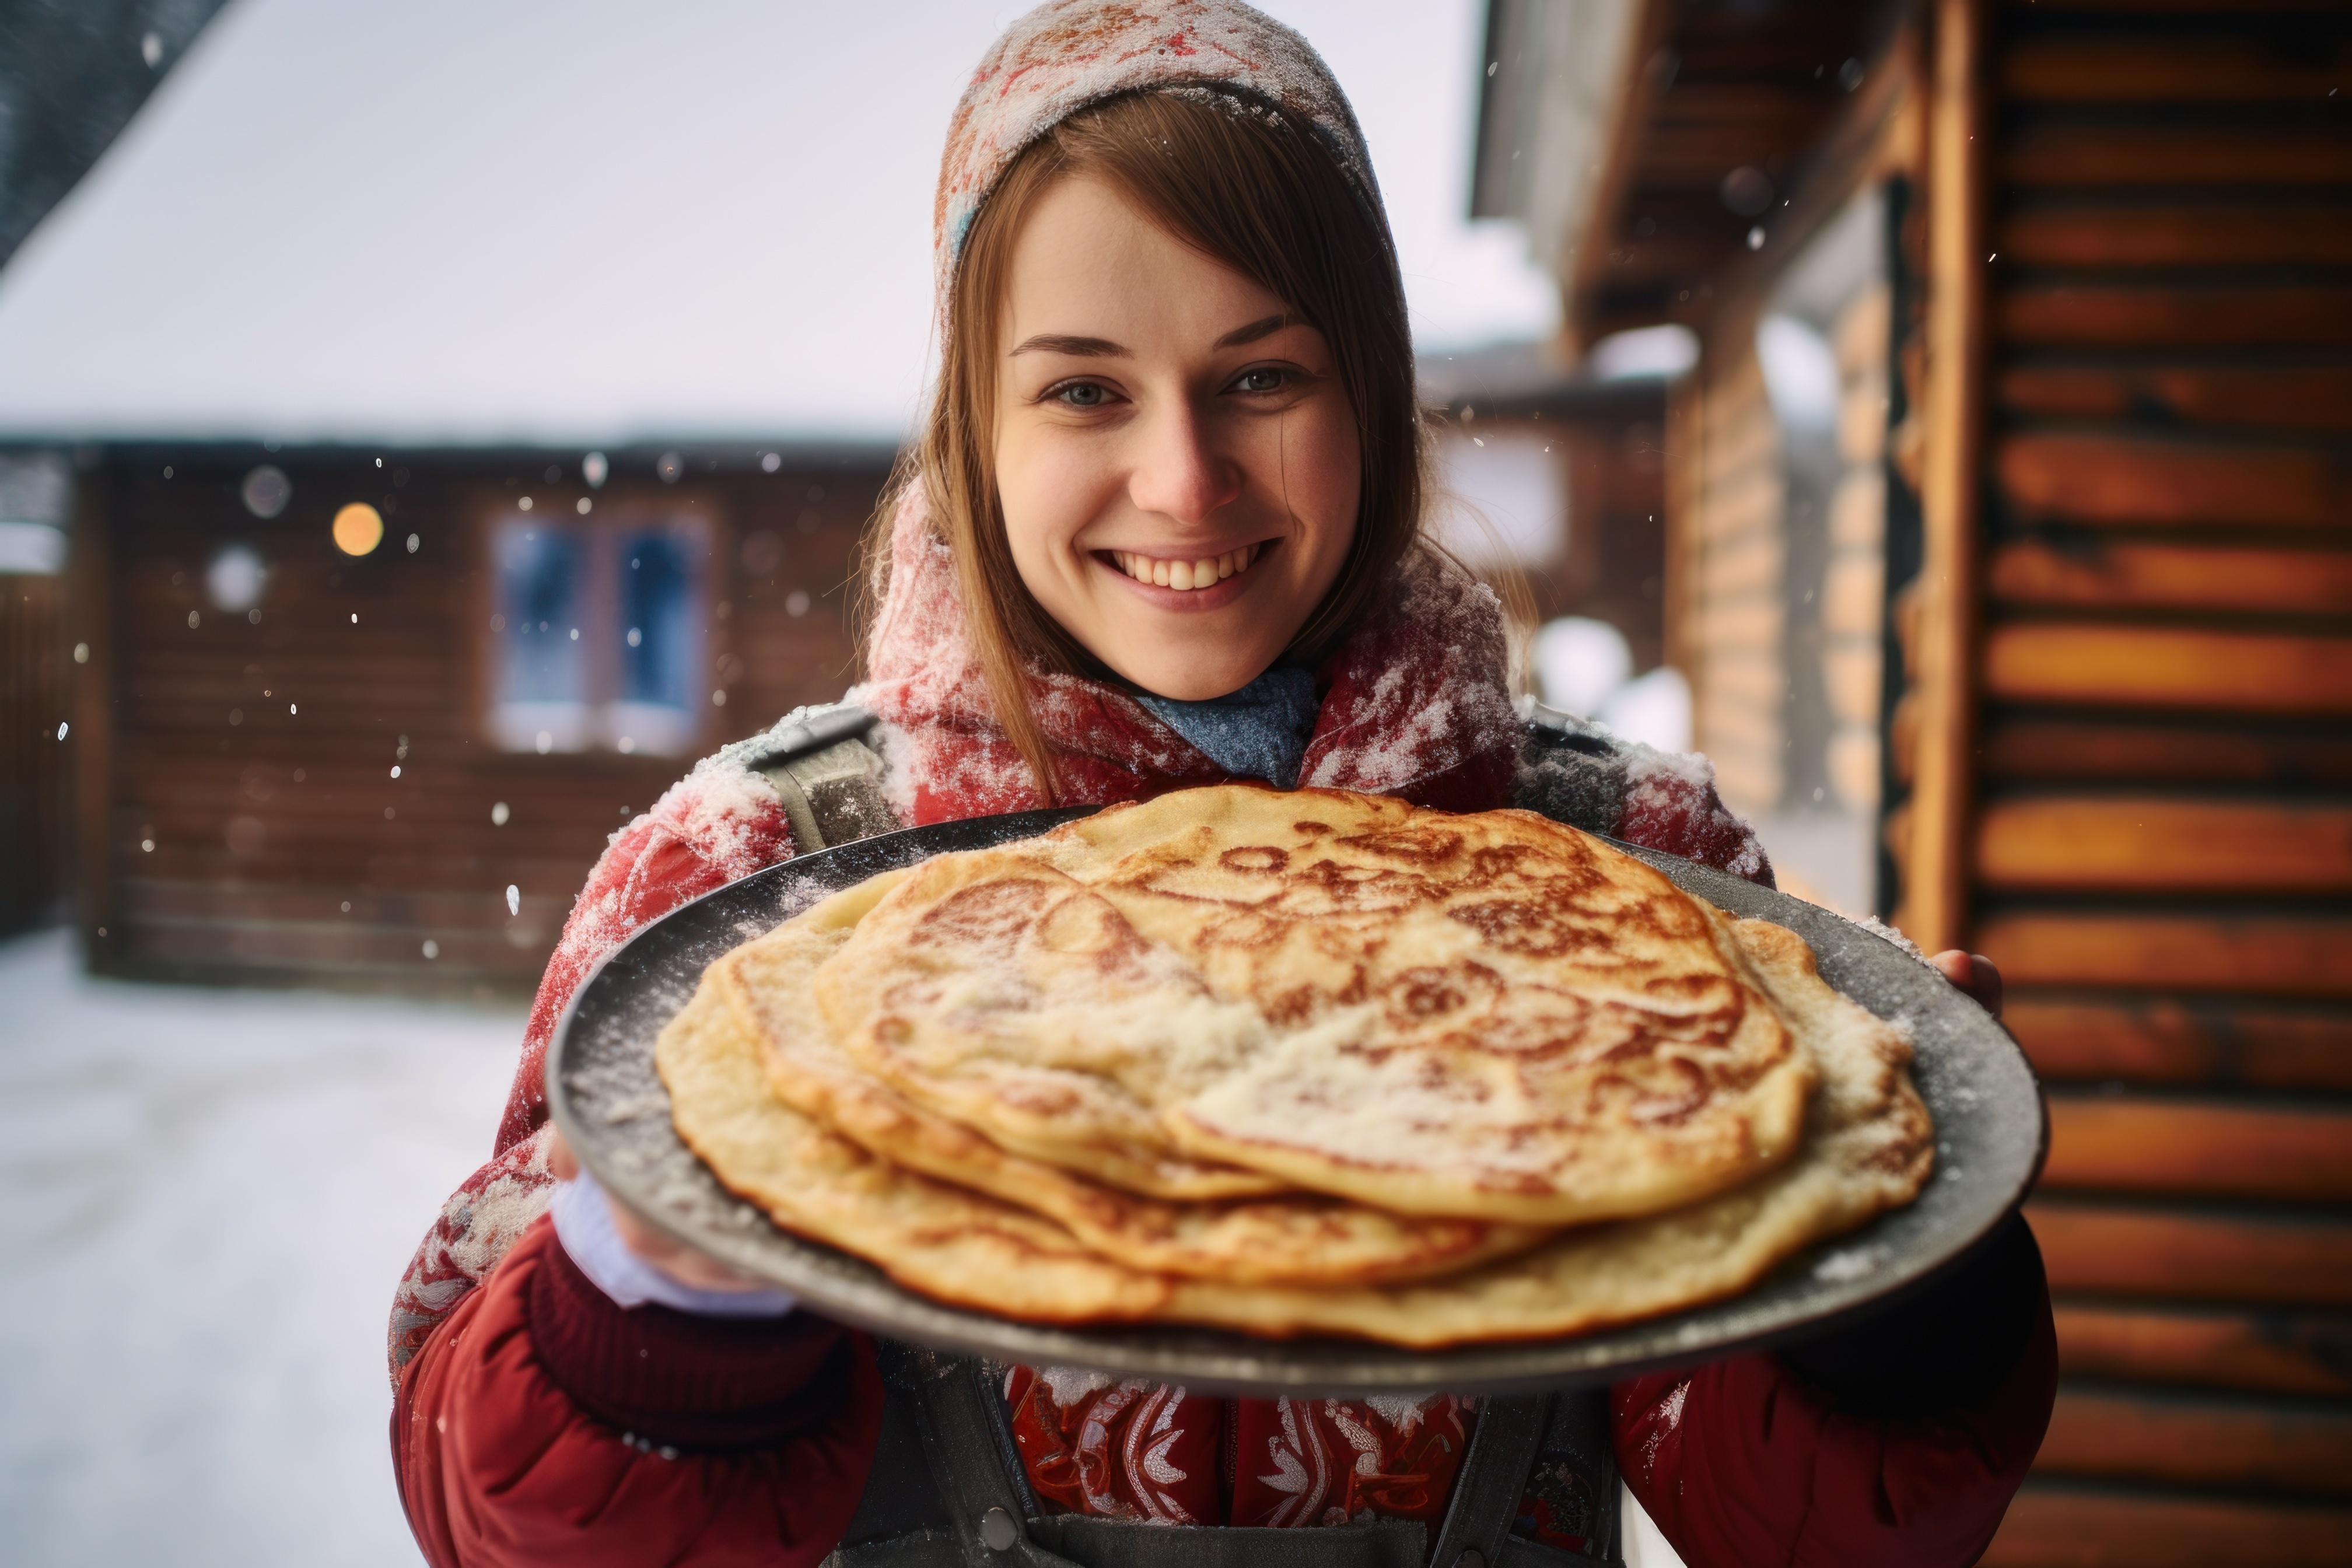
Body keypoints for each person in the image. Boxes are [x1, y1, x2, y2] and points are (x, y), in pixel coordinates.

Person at [389, 5, 2054, 1564]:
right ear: (974, 423)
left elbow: (1831, 1533)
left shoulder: (1636, 872)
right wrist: (657, 1304)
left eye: (1263, 374)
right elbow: (498, 1512)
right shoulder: (745, 876)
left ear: (1376, 400)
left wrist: (1896, 1288)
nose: (1183, 480)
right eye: (1084, 390)